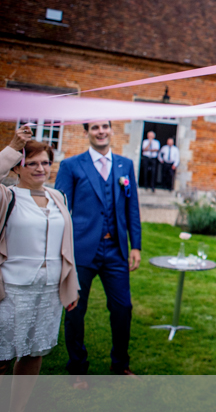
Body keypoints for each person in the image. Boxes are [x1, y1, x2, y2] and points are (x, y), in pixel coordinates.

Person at [55, 121, 142, 385]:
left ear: (112, 130)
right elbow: (60, 211)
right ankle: (77, 367)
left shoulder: (125, 165)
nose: (101, 131)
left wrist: (135, 245)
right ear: (87, 132)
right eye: (95, 127)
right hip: (81, 250)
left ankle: (120, 363)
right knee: (75, 309)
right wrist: (61, 250)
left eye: (105, 126)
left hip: (116, 250)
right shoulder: (71, 165)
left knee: (123, 308)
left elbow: (132, 208)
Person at [0, 127, 79, 412]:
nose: (40, 168)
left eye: (45, 162)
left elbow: (66, 245)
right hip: (12, 289)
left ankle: (17, 408)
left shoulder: (59, 197)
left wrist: (71, 285)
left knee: (34, 352)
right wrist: (12, 148)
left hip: (49, 290)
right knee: (2, 355)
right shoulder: (7, 196)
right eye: (31, 162)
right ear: (17, 168)